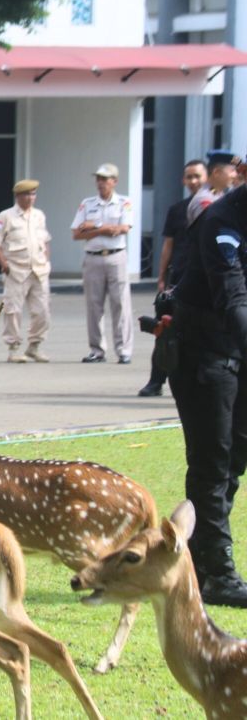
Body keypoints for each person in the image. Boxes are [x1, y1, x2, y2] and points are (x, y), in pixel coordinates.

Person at [169, 180, 247, 607]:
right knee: (211, 465)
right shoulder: (222, 220)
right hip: (204, 356)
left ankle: (198, 559)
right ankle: (217, 575)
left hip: (238, 354)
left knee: (235, 458)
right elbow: (233, 298)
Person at [138, 159, 207, 397]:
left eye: (197, 176)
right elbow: (168, 245)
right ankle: (156, 381)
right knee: (164, 331)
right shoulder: (177, 209)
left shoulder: (218, 207)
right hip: (178, 278)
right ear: (183, 180)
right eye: (189, 177)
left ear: (207, 177)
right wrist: (161, 278)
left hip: (206, 281)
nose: (193, 181)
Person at [71, 163, 133, 364]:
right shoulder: (87, 204)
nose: (100, 183)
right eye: (98, 179)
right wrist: (105, 229)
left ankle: (123, 350)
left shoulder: (123, 203)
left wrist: (95, 226)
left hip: (116, 257)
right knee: (94, 305)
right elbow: (77, 233)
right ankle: (97, 350)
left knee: (120, 304)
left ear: (114, 181)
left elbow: (122, 228)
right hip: (93, 257)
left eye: (105, 179)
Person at [0, 179, 52, 363]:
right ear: (17, 196)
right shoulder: (5, 216)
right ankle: (13, 348)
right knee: (13, 310)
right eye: (26, 194)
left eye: (33, 194)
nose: (30, 198)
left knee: (43, 311)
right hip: (16, 271)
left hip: (38, 270)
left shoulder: (39, 215)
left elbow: (45, 240)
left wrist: (46, 260)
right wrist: (4, 265)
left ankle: (34, 346)